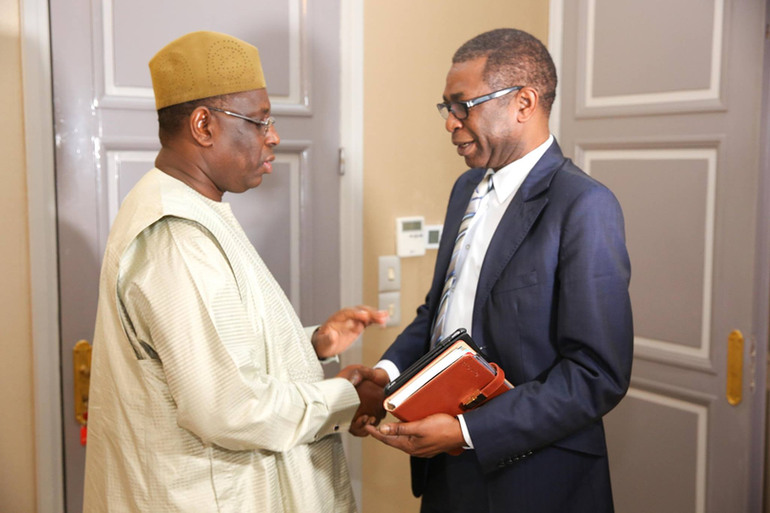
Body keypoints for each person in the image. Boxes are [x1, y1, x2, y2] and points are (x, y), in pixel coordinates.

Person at [83, 31, 386, 513]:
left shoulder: (190, 206)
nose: (274, 136)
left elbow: (207, 351)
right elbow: (229, 408)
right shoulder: (176, 235)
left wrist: (310, 344)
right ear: (203, 125)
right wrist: (347, 399)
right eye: (260, 120)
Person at [366, 29, 634, 513]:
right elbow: (441, 312)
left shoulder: (583, 205)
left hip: (536, 480)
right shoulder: (465, 189)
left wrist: (468, 429)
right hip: (446, 469)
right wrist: (384, 375)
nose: (451, 122)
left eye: (462, 105)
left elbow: (596, 375)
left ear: (523, 103)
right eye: (447, 107)